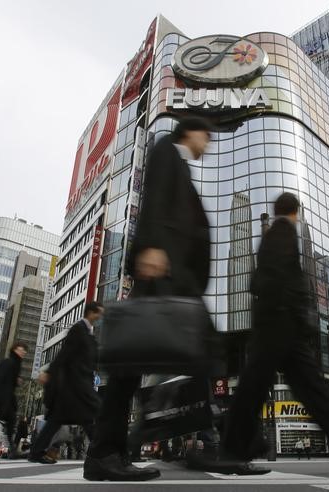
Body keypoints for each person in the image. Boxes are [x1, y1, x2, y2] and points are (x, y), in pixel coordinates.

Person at [84, 117, 214, 482]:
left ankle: (119, 448)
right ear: (192, 131)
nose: (209, 143)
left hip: (173, 275)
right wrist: (151, 247)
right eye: (207, 135)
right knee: (135, 366)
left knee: (137, 365)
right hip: (161, 270)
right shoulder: (164, 151)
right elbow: (153, 200)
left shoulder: (177, 161)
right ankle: (110, 451)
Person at [218, 192, 329, 473]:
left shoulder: (272, 235)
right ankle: (232, 450)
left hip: (278, 326)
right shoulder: (282, 234)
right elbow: (279, 281)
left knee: (296, 389)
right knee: (270, 389)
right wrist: (300, 315)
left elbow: (258, 281)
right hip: (279, 325)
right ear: (294, 212)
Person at [29, 302, 102, 464]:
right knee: (86, 417)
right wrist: (48, 372)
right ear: (91, 312)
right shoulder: (78, 330)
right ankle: (102, 454)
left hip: (79, 384)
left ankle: (36, 452)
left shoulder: (88, 333)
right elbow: (64, 354)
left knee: (77, 419)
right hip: (74, 385)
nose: (100, 317)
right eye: (99, 313)